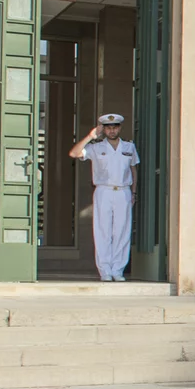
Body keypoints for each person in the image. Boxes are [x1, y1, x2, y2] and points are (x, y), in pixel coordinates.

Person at [71, 113, 137, 281]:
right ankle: (105, 270)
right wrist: (90, 136)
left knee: (122, 231)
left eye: (115, 127)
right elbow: (74, 153)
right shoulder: (96, 147)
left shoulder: (129, 147)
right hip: (104, 191)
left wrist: (134, 192)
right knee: (103, 231)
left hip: (123, 191)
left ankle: (118, 270)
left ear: (120, 128)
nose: (112, 130)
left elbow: (133, 170)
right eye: (108, 127)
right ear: (104, 129)